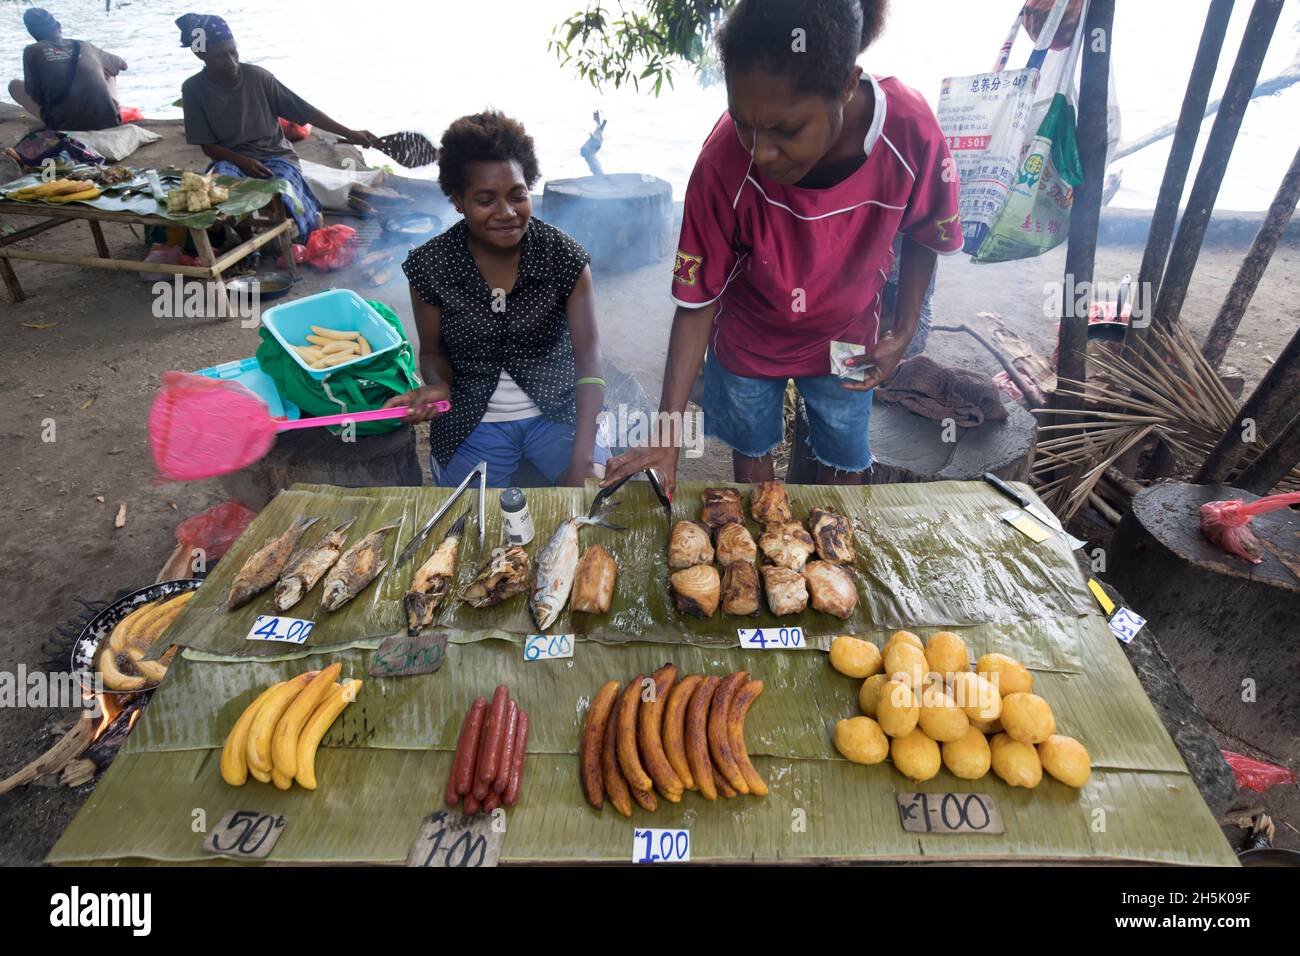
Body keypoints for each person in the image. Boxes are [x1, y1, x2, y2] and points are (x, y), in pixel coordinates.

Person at [603, 0, 961, 497]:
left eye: (786, 130)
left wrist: (901, 331)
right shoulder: (723, 160)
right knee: (751, 455)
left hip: (846, 338)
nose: (760, 152)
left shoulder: (910, 130)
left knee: (844, 456)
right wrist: (666, 437)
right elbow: (696, 301)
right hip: (750, 338)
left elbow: (925, 230)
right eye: (744, 123)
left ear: (845, 85)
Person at [384, 111, 608, 489]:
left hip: (557, 414)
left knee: (597, 497)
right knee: (468, 524)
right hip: (473, 420)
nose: (506, 213)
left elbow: (589, 363)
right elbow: (432, 351)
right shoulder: (431, 265)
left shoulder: (564, 257)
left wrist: (583, 459)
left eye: (517, 196)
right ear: (457, 200)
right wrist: (438, 385)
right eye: (485, 200)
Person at [176, 13, 376, 238]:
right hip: (232, 159)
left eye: (233, 51)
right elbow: (208, 146)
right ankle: (245, 241)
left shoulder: (258, 77)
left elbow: (305, 111)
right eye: (220, 55)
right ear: (200, 54)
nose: (231, 62)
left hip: (276, 155)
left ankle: (308, 231)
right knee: (220, 192)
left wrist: (350, 133)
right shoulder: (193, 89)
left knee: (283, 187)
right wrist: (242, 160)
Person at [7, 8, 127, 131]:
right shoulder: (83, 45)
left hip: (64, 125)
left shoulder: (32, 51)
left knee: (14, 85)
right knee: (110, 72)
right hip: (111, 122)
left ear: (31, 32)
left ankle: (61, 118)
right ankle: (110, 111)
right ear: (58, 26)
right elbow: (122, 65)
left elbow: (36, 95)